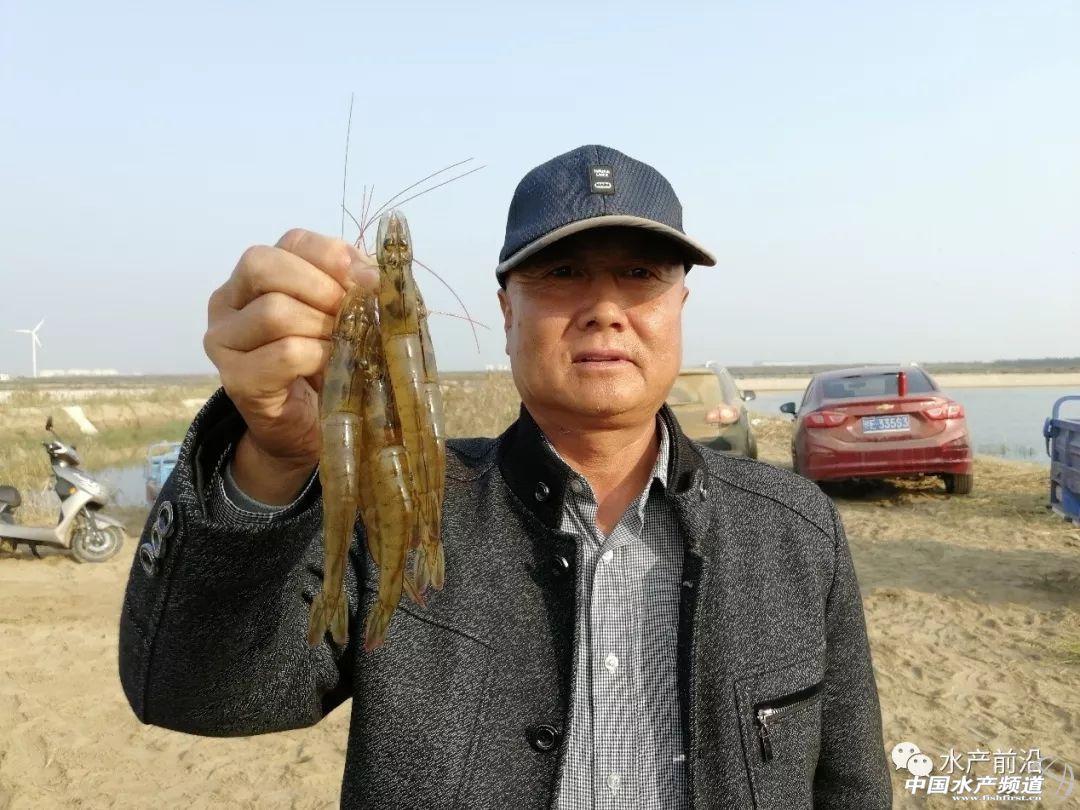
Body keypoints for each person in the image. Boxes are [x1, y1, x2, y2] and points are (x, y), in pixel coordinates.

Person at [119, 144, 892, 808]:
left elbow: (851, 784)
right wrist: (275, 457)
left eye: (638, 272)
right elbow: (193, 691)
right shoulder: (412, 503)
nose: (604, 308)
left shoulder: (795, 528)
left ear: (680, 303)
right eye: (561, 271)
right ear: (505, 309)